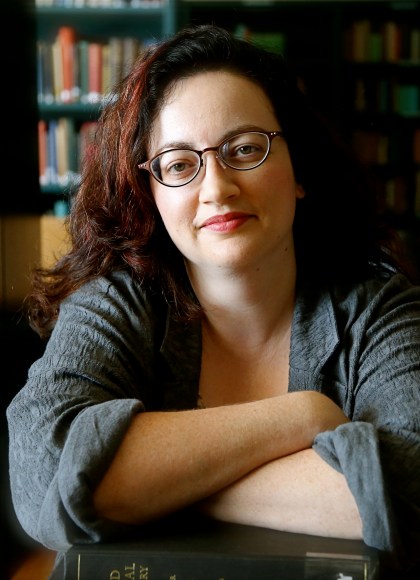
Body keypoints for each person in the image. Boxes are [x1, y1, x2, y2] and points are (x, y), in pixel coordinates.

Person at [6, 24, 420, 577]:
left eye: (245, 149)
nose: (217, 187)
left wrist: (150, 486)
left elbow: (410, 492)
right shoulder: (115, 306)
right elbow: (41, 474)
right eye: (179, 164)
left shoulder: (380, 309)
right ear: (151, 196)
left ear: (300, 170)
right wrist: (302, 416)